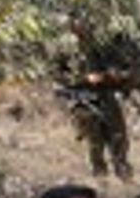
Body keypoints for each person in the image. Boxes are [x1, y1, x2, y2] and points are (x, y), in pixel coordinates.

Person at [53, 16, 135, 180]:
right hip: (81, 101)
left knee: (119, 137)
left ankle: (125, 175)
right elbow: (56, 78)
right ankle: (101, 180)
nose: (81, 25)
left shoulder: (97, 44)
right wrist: (84, 79)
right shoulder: (61, 49)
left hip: (105, 96)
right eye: (75, 23)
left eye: (82, 22)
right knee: (95, 143)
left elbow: (115, 62)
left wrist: (116, 74)